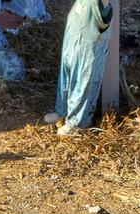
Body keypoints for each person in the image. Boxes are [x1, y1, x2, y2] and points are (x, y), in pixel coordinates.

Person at [44, 0, 113, 136]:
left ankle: (76, 123)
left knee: (83, 78)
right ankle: (62, 111)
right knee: (67, 69)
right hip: (77, 24)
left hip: (91, 31)